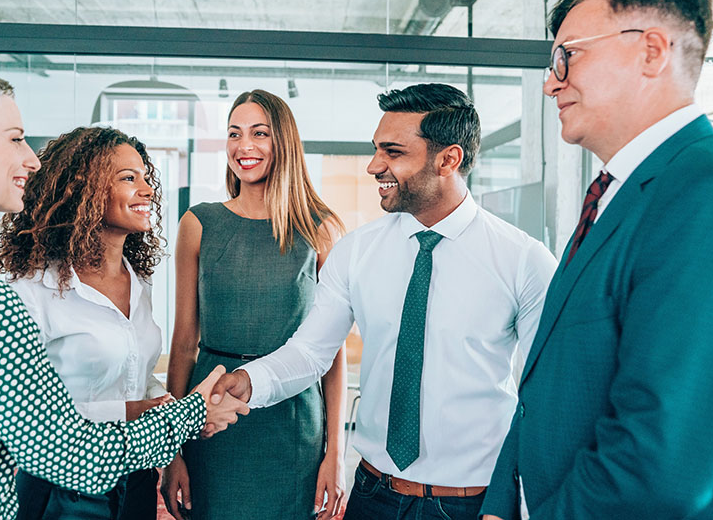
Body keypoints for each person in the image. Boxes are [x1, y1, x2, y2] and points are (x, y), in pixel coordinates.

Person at [210, 83, 557, 520]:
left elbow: (548, 396)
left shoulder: (524, 261)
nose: (375, 166)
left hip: (473, 503)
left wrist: (517, 504)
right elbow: (310, 352)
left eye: (393, 152)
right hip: (373, 496)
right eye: (376, 149)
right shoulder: (357, 250)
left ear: (448, 159)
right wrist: (249, 380)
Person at [0, 60, 249, 520]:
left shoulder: (135, 280)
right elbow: (71, 454)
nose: (31, 160)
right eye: (14, 137)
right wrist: (190, 413)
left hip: (131, 477)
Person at [480, 0, 713, 519]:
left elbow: (659, 460)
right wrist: (502, 503)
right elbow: (543, 387)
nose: (550, 83)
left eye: (569, 56)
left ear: (651, 52)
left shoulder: (703, 190)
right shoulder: (615, 191)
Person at [160, 89, 349, 520]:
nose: (244, 146)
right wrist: (171, 451)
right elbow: (184, 341)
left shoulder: (319, 230)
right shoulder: (198, 223)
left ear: (283, 142)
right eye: (234, 133)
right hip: (210, 416)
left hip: (292, 424)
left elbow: (331, 354)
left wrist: (334, 454)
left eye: (259, 133)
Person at [0, 126, 174, 520]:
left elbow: (132, 371)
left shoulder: (138, 283)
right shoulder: (34, 289)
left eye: (145, 177)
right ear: (83, 192)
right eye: (129, 178)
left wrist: (161, 400)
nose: (147, 190)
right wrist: (133, 410)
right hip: (64, 488)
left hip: (136, 477)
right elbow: (25, 416)